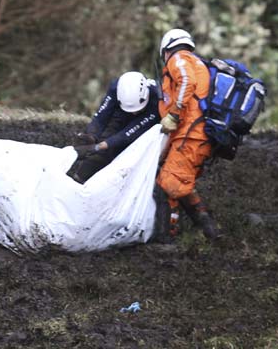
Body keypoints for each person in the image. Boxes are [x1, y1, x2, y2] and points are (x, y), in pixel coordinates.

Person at [156, 28, 220, 239]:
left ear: (166, 48)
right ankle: (208, 229)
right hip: (195, 135)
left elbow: (186, 81)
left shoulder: (179, 58)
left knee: (168, 183)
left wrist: (174, 114)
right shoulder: (194, 61)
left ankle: (169, 236)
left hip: (191, 135)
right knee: (180, 182)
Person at [66, 71, 161, 183]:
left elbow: (129, 133)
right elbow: (102, 115)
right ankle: (80, 179)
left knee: (121, 147)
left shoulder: (157, 98)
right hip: (122, 111)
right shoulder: (116, 87)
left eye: (136, 110)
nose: (134, 113)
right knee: (104, 142)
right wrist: (91, 135)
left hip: (148, 114)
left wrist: (99, 146)